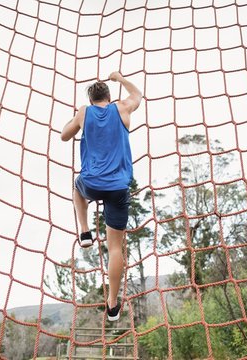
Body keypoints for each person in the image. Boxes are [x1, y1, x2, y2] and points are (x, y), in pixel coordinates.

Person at [60, 72, 142, 321]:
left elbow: (64, 135)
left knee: (77, 187)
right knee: (115, 248)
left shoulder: (84, 112)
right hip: (118, 187)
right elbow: (137, 94)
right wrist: (120, 78)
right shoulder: (122, 108)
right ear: (108, 96)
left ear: (91, 98)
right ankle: (113, 303)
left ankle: (85, 232)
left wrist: (78, 118)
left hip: (92, 183)